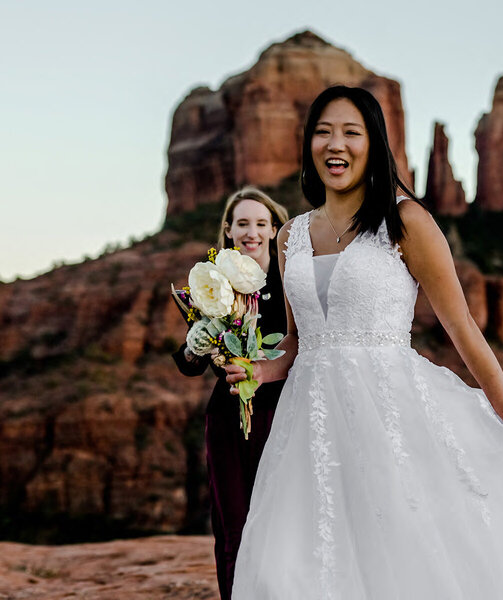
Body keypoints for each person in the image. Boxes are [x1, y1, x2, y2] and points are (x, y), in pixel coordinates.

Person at [220, 86, 503, 598]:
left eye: (351, 131)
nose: (335, 144)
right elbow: (301, 340)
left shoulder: (406, 219)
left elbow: (460, 324)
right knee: (294, 563)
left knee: (399, 557)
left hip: (389, 416)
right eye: (323, 132)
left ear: (374, 142)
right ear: (308, 145)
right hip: (308, 425)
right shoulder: (290, 237)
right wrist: (261, 370)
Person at [171, 186, 289, 600]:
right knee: (233, 523)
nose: (251, 232)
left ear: (275, 229)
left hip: (283, 416)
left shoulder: (292, 280)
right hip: (227, 418)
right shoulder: (210, 284)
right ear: (228, 229)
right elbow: (189, 364)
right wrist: (196, 343)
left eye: (261, 223)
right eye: (243, 223)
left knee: (283, 522)